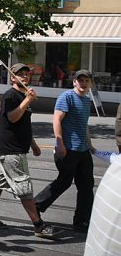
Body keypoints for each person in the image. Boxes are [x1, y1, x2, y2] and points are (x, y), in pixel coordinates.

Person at [0, 63, 56, 238]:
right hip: (11, 149)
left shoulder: (22, 95)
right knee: (24, 187)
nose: (25, 76)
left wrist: (33, 144)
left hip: (15, 148)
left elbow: (23, 125)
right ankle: (38, 225)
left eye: (27, 74)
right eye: (20, 74)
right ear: (12, 77)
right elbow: (12, 117)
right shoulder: (11, 95)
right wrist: (27, 100)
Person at [35, 69, 96, 231]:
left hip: (82, 150)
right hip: (67, 149)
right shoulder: (67, 97)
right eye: (80, 80)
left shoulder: (87, 100)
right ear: (74, 82)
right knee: (64, 181)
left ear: (90, 83)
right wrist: (59, 143)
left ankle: (82, 220)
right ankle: (35, 206)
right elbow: (56, 119)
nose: (83, 83)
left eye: (86, 81)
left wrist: (90, 144)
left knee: (87, 185)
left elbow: (84, 125)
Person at [76, 155, 121, 256]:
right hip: (12, 152)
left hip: (80, 150)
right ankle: (37, 219)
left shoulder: (117, 169)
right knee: (24, 191)